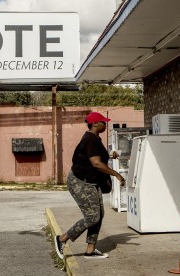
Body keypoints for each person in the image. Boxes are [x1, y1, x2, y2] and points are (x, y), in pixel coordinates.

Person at [54, 111, 126, 260]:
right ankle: (62, 239)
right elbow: (96, 163)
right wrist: (117, 174)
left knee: (98, 216)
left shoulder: (95, 139)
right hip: (80, 182)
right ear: (95, 124)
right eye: (103, 122)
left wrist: (110, 155)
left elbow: (97, 157)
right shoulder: (90, 140)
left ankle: (90, 250)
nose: (105, 125)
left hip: (91, 182)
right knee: (92, 217)